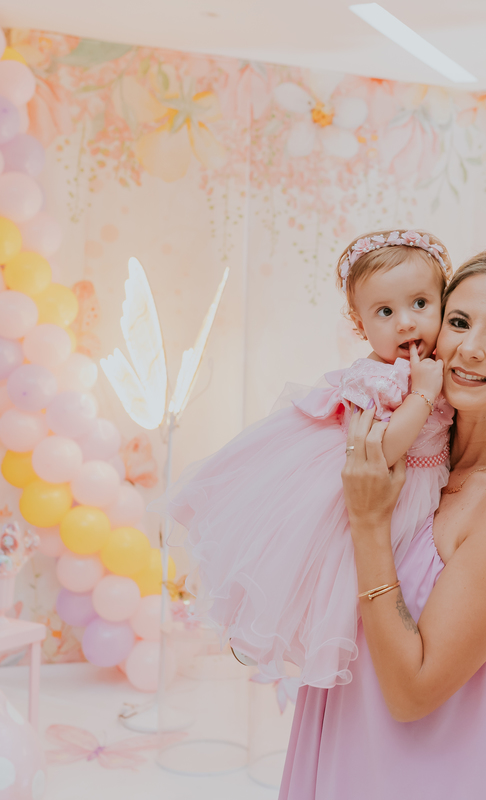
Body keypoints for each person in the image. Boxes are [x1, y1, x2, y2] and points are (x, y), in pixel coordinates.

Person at [280, 246, 486, 799]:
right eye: (459, 321)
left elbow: (413, 692)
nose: (470, 349)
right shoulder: (425, 450)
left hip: (427, 773)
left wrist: (369, 523)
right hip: (349, 745)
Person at [164, 229, 454, 688]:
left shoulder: (441, 365)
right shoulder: (377, 380)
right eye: (385, 312)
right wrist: (422, 395)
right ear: (361, 326)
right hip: (384, 492)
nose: (405, 322)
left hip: (430, 491)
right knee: (355, 590)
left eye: (420, 304)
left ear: (444, 302)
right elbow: (382, 451)